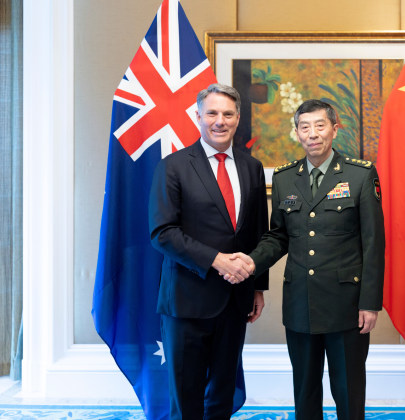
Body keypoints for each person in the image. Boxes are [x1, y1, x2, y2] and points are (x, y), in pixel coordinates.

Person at [232, 99, 385, 420]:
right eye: (305, 127)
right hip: (300, 302)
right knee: (305, 390)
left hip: (347, 303)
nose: (312, 134)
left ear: (334, 128)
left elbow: (374, 243)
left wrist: (370, 302)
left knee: (348, 390)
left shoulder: (360, 175)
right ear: (297, 133)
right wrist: (251, 263)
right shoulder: (286, 178)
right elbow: (278, 236)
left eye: (319, 126)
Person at [148, 83, 268, 420]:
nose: (220, 121)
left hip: (235, 300)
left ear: (238, 118)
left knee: (222, 393)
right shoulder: (173, 166)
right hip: (187, 298)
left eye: (228, 114)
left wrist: (258, 285)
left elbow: (258, 231)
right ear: (197, 116)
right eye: (212, 113)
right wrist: (216, 261)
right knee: (186, 396)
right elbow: (162, 233)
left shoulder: (251, 167)